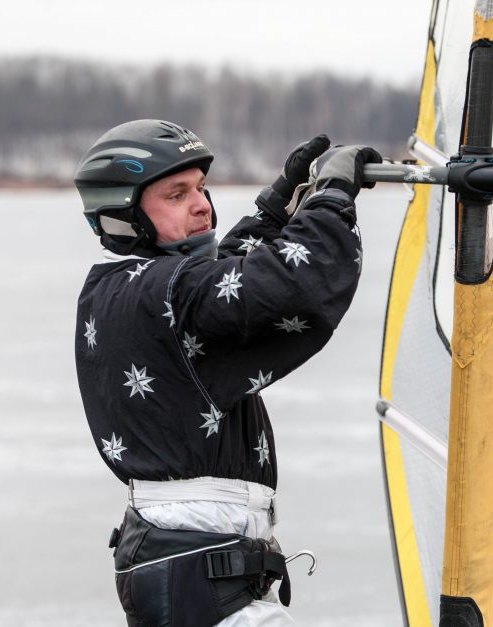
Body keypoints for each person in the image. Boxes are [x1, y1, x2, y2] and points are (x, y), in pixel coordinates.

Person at [72, 119, 381, 626]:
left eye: (199, 188)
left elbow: (224, 280)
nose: (201, 205)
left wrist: (279, 206)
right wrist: (330, 197)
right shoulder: (167, 292)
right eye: (176, 194)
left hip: (185, 561)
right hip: (200, 569)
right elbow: (297, 283)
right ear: (124, 213)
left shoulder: (124, 285)